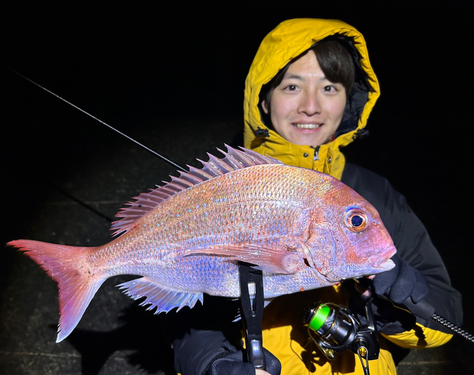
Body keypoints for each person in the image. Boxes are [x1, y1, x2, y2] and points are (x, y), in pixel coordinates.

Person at [172, 18, 463, 375]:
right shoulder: (223, 189)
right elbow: (178, 318)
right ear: (264, 100)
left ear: (349, 102)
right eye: (292, 86)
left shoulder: (372, 195)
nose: (311, 106)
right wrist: (214, 363)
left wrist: (403, 303)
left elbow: (448, 317)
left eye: (329, 88)